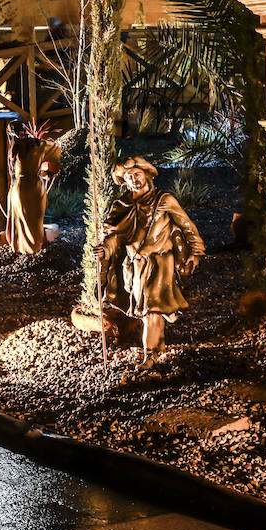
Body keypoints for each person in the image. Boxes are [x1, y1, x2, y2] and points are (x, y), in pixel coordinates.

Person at [91, 156, 203, 370]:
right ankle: (157, 346)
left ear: (148, 175)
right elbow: (115, 238)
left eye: (138, 174)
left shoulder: (164, 201)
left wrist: (195, 252)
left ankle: (150, 356)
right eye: (129, 176)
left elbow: (187, 227)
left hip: (161, 263)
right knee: (145, 312)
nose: (134, 179)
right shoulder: (121, 206)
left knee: (153, 309)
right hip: (134, 267)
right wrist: (104, 250)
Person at [0, 121, 62, 254]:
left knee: (19, 221)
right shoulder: (38, 145)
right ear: (26, 130)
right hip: (32, 187)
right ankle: (33, 248)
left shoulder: (13, 150)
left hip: (16, 190)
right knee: (34, 220)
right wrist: (48, 172)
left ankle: (18, 246)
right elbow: (58, 153)